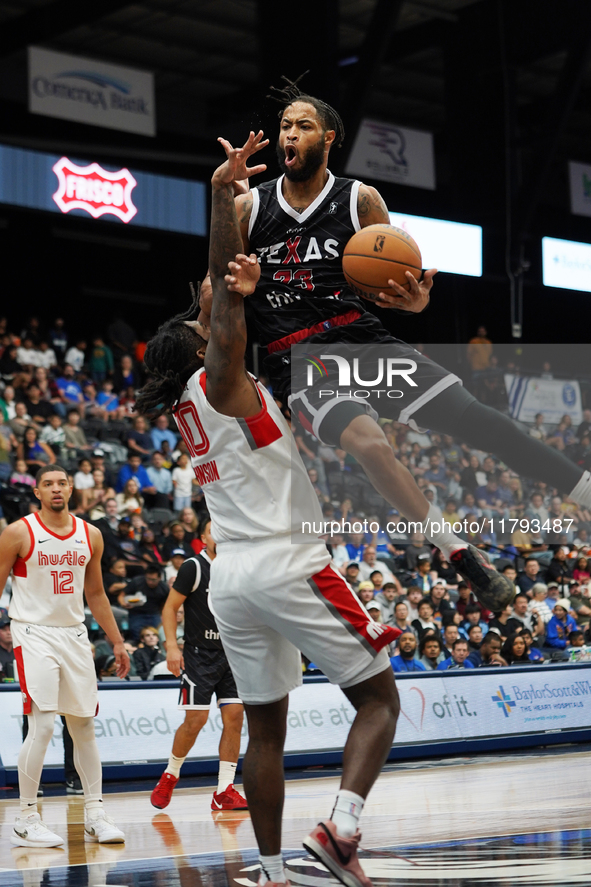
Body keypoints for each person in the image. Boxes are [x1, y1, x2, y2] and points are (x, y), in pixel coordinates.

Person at [211, 80, 591, 611]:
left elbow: (390, 294)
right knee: (371, 444)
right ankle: (459, 552)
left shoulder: (359, 198)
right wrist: (230, 252)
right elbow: (214, 289)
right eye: (284, 126)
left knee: (484, 422)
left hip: (363, 340)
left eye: (302, 125)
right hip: (302, 356)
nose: (289, 134)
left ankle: (584, 488)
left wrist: (411, 303)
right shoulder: (248, 207)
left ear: (329, 138)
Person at [135, 134, 402, 887]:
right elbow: (221, 284)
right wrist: (225, 198)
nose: (208, 313)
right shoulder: (217, 381)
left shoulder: (192, 410)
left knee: (265, 729)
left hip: (235, 579)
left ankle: (272, 869)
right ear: (198, 350)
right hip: (287, 560)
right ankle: (340, 829)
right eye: (202, 323)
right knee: (380, 697)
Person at [0, 464, 129, 848]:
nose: (56, 489)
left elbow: (97, 595)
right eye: (48, 484)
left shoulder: (91, 535)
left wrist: (117, 641)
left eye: (62, 483)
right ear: (37, 492)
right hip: (32, 632)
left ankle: (95, 814)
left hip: (74, 635)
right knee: (41, 725)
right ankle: (26, 818)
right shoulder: (19, 532)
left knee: (84, 726)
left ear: (71, 488)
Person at [151, 515, 248, 812]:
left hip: (232, 654)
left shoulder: (239, 568)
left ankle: (224, 790)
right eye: (212, 531)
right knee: (196, 721)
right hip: (198, 655)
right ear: (203, 538)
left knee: (235, 718)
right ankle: (171, 774)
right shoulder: (194, 566)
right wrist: (171, 646)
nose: (219, 535)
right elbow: (170, 608)